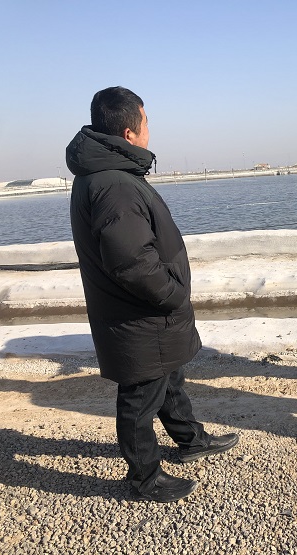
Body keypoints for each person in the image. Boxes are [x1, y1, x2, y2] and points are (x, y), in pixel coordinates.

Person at [66, 86, 238, 502]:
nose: (150, 130)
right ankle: (145, 477)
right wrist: (173, 295)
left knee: (168, 376)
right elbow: (131, 262)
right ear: (129, 133)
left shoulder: (109, 173)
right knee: (140, 397)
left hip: (146, 312)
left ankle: (190, 439)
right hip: (139, 314)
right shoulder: (114, 184)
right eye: (146, 122)